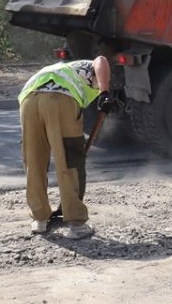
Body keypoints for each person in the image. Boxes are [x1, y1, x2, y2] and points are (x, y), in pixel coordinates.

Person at [18, 56, 115, 239]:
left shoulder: (61, 69)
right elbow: (101, 59)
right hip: (61, 98)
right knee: (70, 160)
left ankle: (39, 220)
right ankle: (76, 224)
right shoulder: (89, 69)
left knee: (34, 160)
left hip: (29, 101)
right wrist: (104, 92)